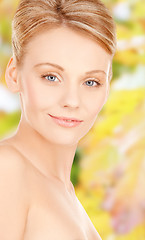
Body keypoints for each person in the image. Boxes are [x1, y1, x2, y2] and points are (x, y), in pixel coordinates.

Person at [0, 0, 116, 239]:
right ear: (14, 76)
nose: (72, 101)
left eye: (90, 82)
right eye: (51, 77)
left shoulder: (65, 192)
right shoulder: (7, 168)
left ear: (107, 87)